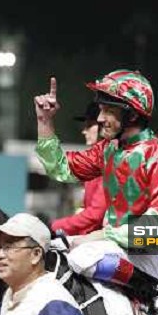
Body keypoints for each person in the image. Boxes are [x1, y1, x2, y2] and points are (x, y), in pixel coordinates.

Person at [34, 70, 158, 315]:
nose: (100, 118)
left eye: (108, 111)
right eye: (100, 110)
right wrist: (45, 121)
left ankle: (156, 292)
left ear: (131, 114)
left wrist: (95, 237)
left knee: (81, 257)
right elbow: (61, 168)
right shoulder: (109, 149)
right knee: (52, 252)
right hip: (114, 246)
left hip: (145, 248)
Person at [51, 101, 107, 236]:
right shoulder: (95, 161)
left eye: (88, 126)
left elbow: (95, 215)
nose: (84, 131)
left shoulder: (111, 161)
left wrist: (53, 226)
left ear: (103, 126)